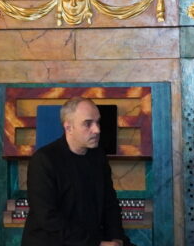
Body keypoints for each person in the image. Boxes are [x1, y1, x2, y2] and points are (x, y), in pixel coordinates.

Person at [21, 97, 130, 246]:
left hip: (91, 239)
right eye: (88, 124)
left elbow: (109, 203)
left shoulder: (98, 155)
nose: (97, 130)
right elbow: (48, 218)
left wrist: (116, 238)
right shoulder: (43, 160)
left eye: (98, 122)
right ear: (68, 127)